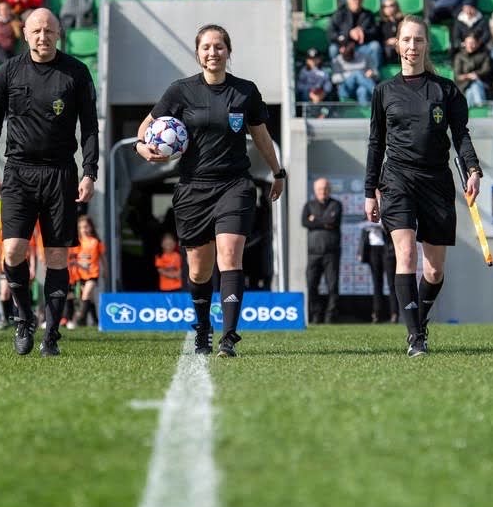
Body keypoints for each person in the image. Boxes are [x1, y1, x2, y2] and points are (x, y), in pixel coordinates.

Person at [135, 24, 284, 357]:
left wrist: (278, 172)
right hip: (192, 189)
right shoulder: (180, 91)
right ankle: (203, 327)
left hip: (235, 185)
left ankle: (229, 337)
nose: (213, 53)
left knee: (230, 255)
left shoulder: (245, 91)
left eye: (219, 47)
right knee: (199, 269)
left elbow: (260, 136)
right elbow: (146, 127)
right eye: (206, 47)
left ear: (228, 52)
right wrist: (143, 148)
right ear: (197, 52)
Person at [0, 8, 99, 358]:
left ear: (58, 32)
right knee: (13, 250)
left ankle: (52, 335)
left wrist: (89, 171)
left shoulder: (76, 72)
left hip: (61, 173)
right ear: (25, 34)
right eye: (35, 31)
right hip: (18, 172)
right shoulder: (9, 72)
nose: (42, 36)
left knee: (57, 256)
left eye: (48, 30)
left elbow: (89, 127)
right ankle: (23, 316)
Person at [365, 15, 482, 356]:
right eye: (406, 40)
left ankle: (419, 320)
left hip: (437, 181)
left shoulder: (446, 90)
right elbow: (376, 143)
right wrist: (369, 189)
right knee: (405, 254)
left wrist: (472, 168)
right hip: (397, 178)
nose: (412, 46)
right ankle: (417, 338)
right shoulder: (384, 91)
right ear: (397, 44)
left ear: (426, 44)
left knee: (434, 268)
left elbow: (460, 136)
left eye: (418, 40)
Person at [302, 178, 343, 324]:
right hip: (313, 253)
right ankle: (315, 316)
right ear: (315, 190)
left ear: (329, 189)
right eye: (320, 189)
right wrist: (324, 221)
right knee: (312, 285)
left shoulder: (336, 204)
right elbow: (305, 222)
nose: (322, 192)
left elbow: (333, 221)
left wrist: (315, 220)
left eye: (325, 188)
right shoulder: (309, 205)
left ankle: (330, 317)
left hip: (331, 253)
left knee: (332, 286)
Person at [329, 0, 382, 67]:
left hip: (362, 47)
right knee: (333, 49)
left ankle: (374, 73)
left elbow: (375, 32)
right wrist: (349, 34)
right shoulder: (339, 14)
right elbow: (331, 34)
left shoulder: (368, 14)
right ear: (348, 0)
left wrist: (363, 33)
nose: (357, 1)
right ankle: (337, 74)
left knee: (375, 46)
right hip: (344, 46)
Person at [67, 215, 105, 329]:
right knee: (91, 298)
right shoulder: (78, 242)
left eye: (86, 227)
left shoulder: (96, 241)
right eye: (81, 227)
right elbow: (73, 258)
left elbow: (103, 258)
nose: (84, 229)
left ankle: (80, 319)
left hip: (93, 273)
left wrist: (105, 270)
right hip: (81, 274)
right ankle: (96, 321)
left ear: (91, 227)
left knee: (86, 294)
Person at [453, 32, 492, 107]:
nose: (471, 46)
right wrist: (469, 76)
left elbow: (486, 70)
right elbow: (457, 75)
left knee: (473, 87)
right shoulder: (459, 56)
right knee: (472, 88)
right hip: (463, 85)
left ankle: (469, 113)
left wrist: (476, 74)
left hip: (481, 83)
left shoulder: (484, 55)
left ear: (478, 43)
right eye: (468, 43)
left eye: (473, 43)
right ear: (464, 43)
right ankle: (481, 108)